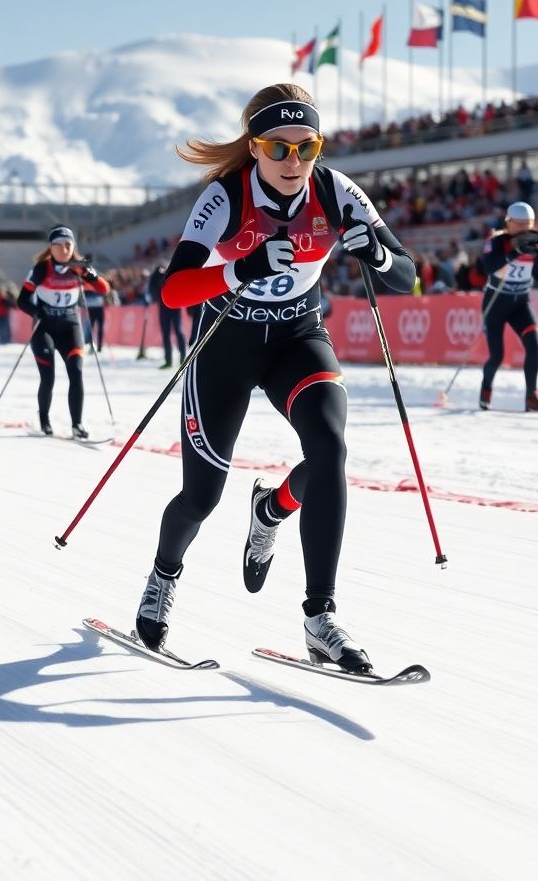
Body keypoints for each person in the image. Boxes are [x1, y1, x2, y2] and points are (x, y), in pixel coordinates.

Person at [132, 83, 416, 675]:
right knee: (201, 498)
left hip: (296, 338)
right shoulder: (225, 195)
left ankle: (318, 613)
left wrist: (379, 255)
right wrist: (240, 268)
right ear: (254, 147)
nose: (293, 161)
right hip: (225, 345)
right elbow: (174, 289)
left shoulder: (336, 191)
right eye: (277, 147)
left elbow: (405, 276)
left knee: (330, 447)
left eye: (306, 147)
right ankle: (162, 576)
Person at [16, 225, 110, 440]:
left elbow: (104, 290)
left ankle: (77, 424)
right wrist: (36, 311)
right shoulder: (41, 269)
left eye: (69, 245)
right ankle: (44, 420)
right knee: (48, 376)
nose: (65, 249)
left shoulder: (79, 268)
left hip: (70, 327)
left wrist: (90, 275)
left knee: (76, 372)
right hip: (44, 328)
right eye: (59, 245)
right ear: (51, 247)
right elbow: (22, 301)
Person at [477, 201, 538, 412]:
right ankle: (486, 388)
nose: (525, 228)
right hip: (496, 302)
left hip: (520, 303)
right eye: (520, 224)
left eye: (528, 224)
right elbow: (488, 266)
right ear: (509, 222)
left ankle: (531, 396)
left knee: (533, 344)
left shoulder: (534, 241)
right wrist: (515, 252)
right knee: (497, 356)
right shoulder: (497, 240)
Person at [149, 261, 186, 369]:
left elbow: (181, 287)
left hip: (175, 305)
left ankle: (183, 358)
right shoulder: (158, 276)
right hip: (164, 307)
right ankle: (168, 360)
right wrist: (159, 276)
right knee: (166, 334)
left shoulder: (175, 272)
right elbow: (153, 291)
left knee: (178, 331)